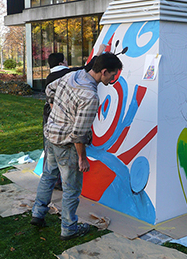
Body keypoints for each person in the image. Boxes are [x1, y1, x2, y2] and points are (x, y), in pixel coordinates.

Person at [31, 53, 123, 240]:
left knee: (48, 175)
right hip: (66, 144)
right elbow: (78, 135)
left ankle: (37, 214)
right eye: (112, 75)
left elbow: (49, 89)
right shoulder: (90, 96)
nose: (114, 79)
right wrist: (82, 159)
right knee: (71, 188)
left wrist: (55, 107)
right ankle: (68, 228)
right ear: (103, 72)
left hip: (51, 135)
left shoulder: (73, 75)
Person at [39, 46, 105, 190]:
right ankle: (62, 183)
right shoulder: (68, 73)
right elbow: (88, 68)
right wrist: (99, 53)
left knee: (49, 153)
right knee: (66, 163)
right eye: (66, 61)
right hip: (64, 124)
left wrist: (53, 106)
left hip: (50, 120)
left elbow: (49, 90)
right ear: (62, 63)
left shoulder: (50, 77)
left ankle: (46, 193)